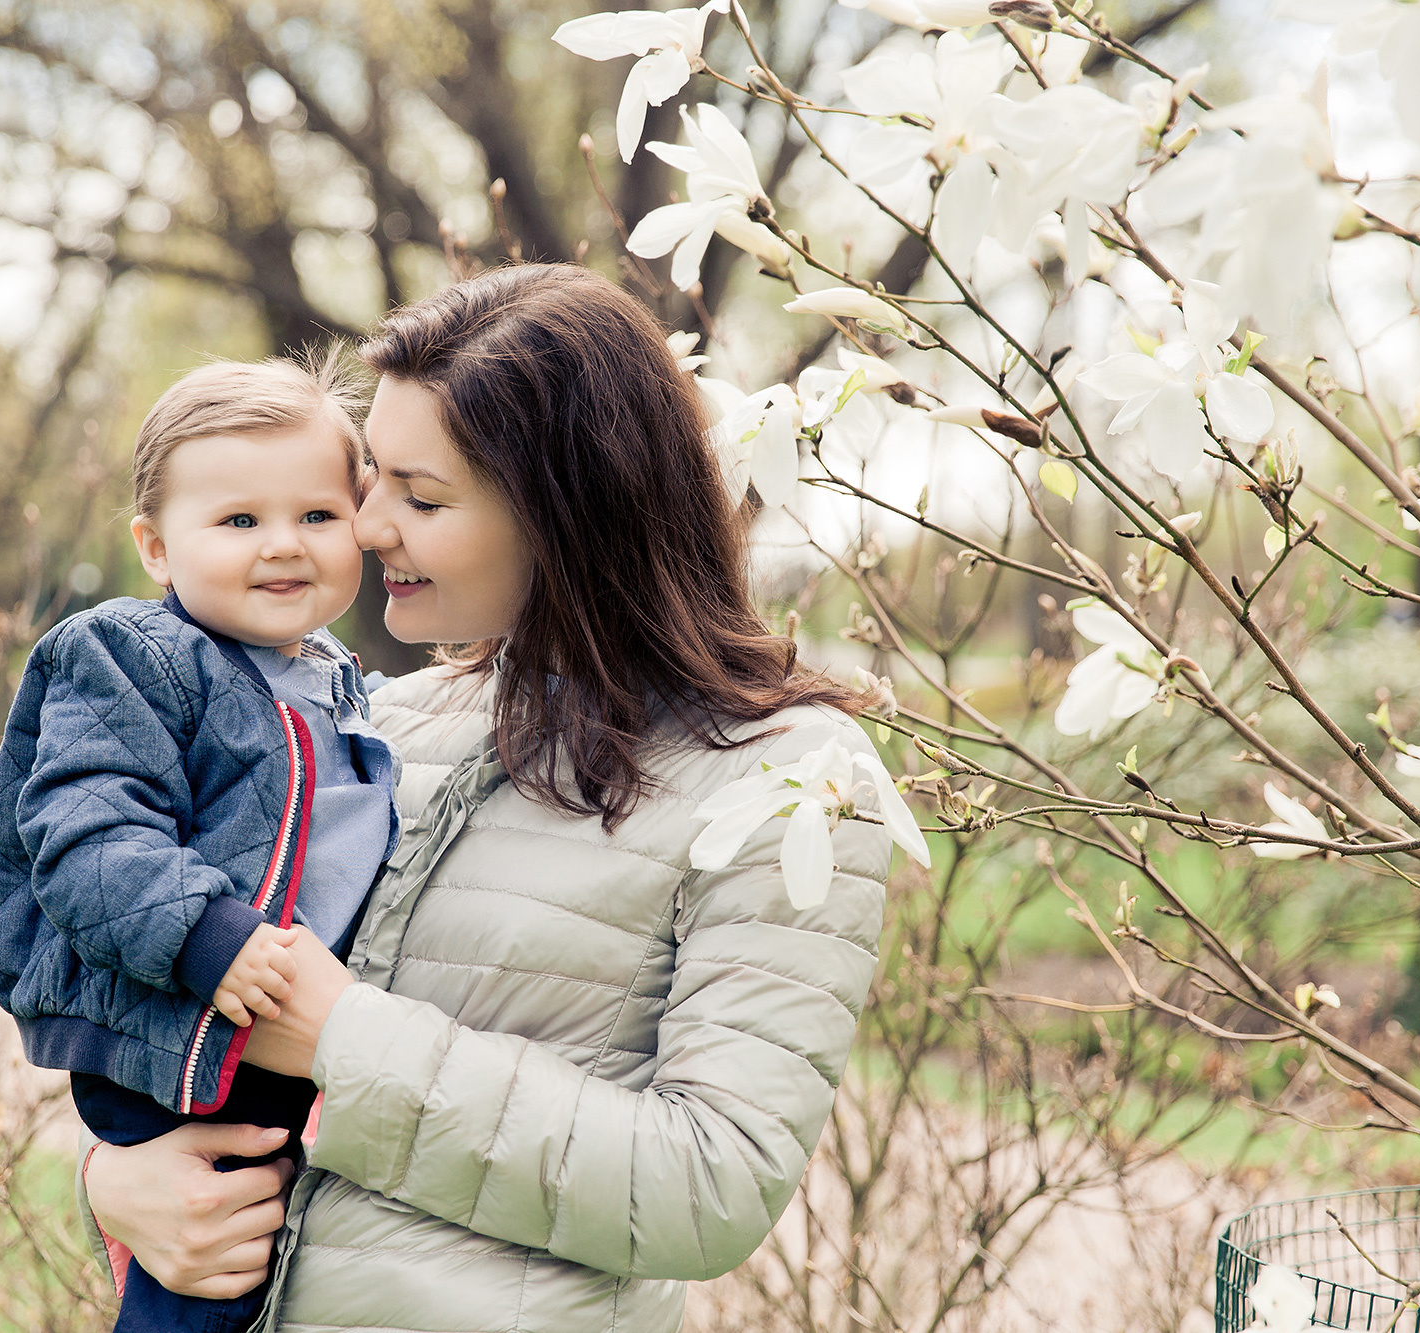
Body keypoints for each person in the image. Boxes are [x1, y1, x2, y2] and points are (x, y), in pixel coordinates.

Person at [79, 263, 908, 1332]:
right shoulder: (373, 723)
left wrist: (344, 1037)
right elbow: (180, 1023)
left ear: (567, 512)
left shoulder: (785, 778)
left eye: (421, 497)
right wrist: (114, 1178)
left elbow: (710, 1188)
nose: (366, 525)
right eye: (372, 477)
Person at [0, 356, 401, 1333]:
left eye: (317, 516)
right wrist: (208, 937)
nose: (282, 546)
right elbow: (86, 834)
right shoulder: (133, 658)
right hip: (184, 1036)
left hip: (278, 1047)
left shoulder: (337, 683)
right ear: (156, 547)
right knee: (205, 1280)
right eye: (238, 521)